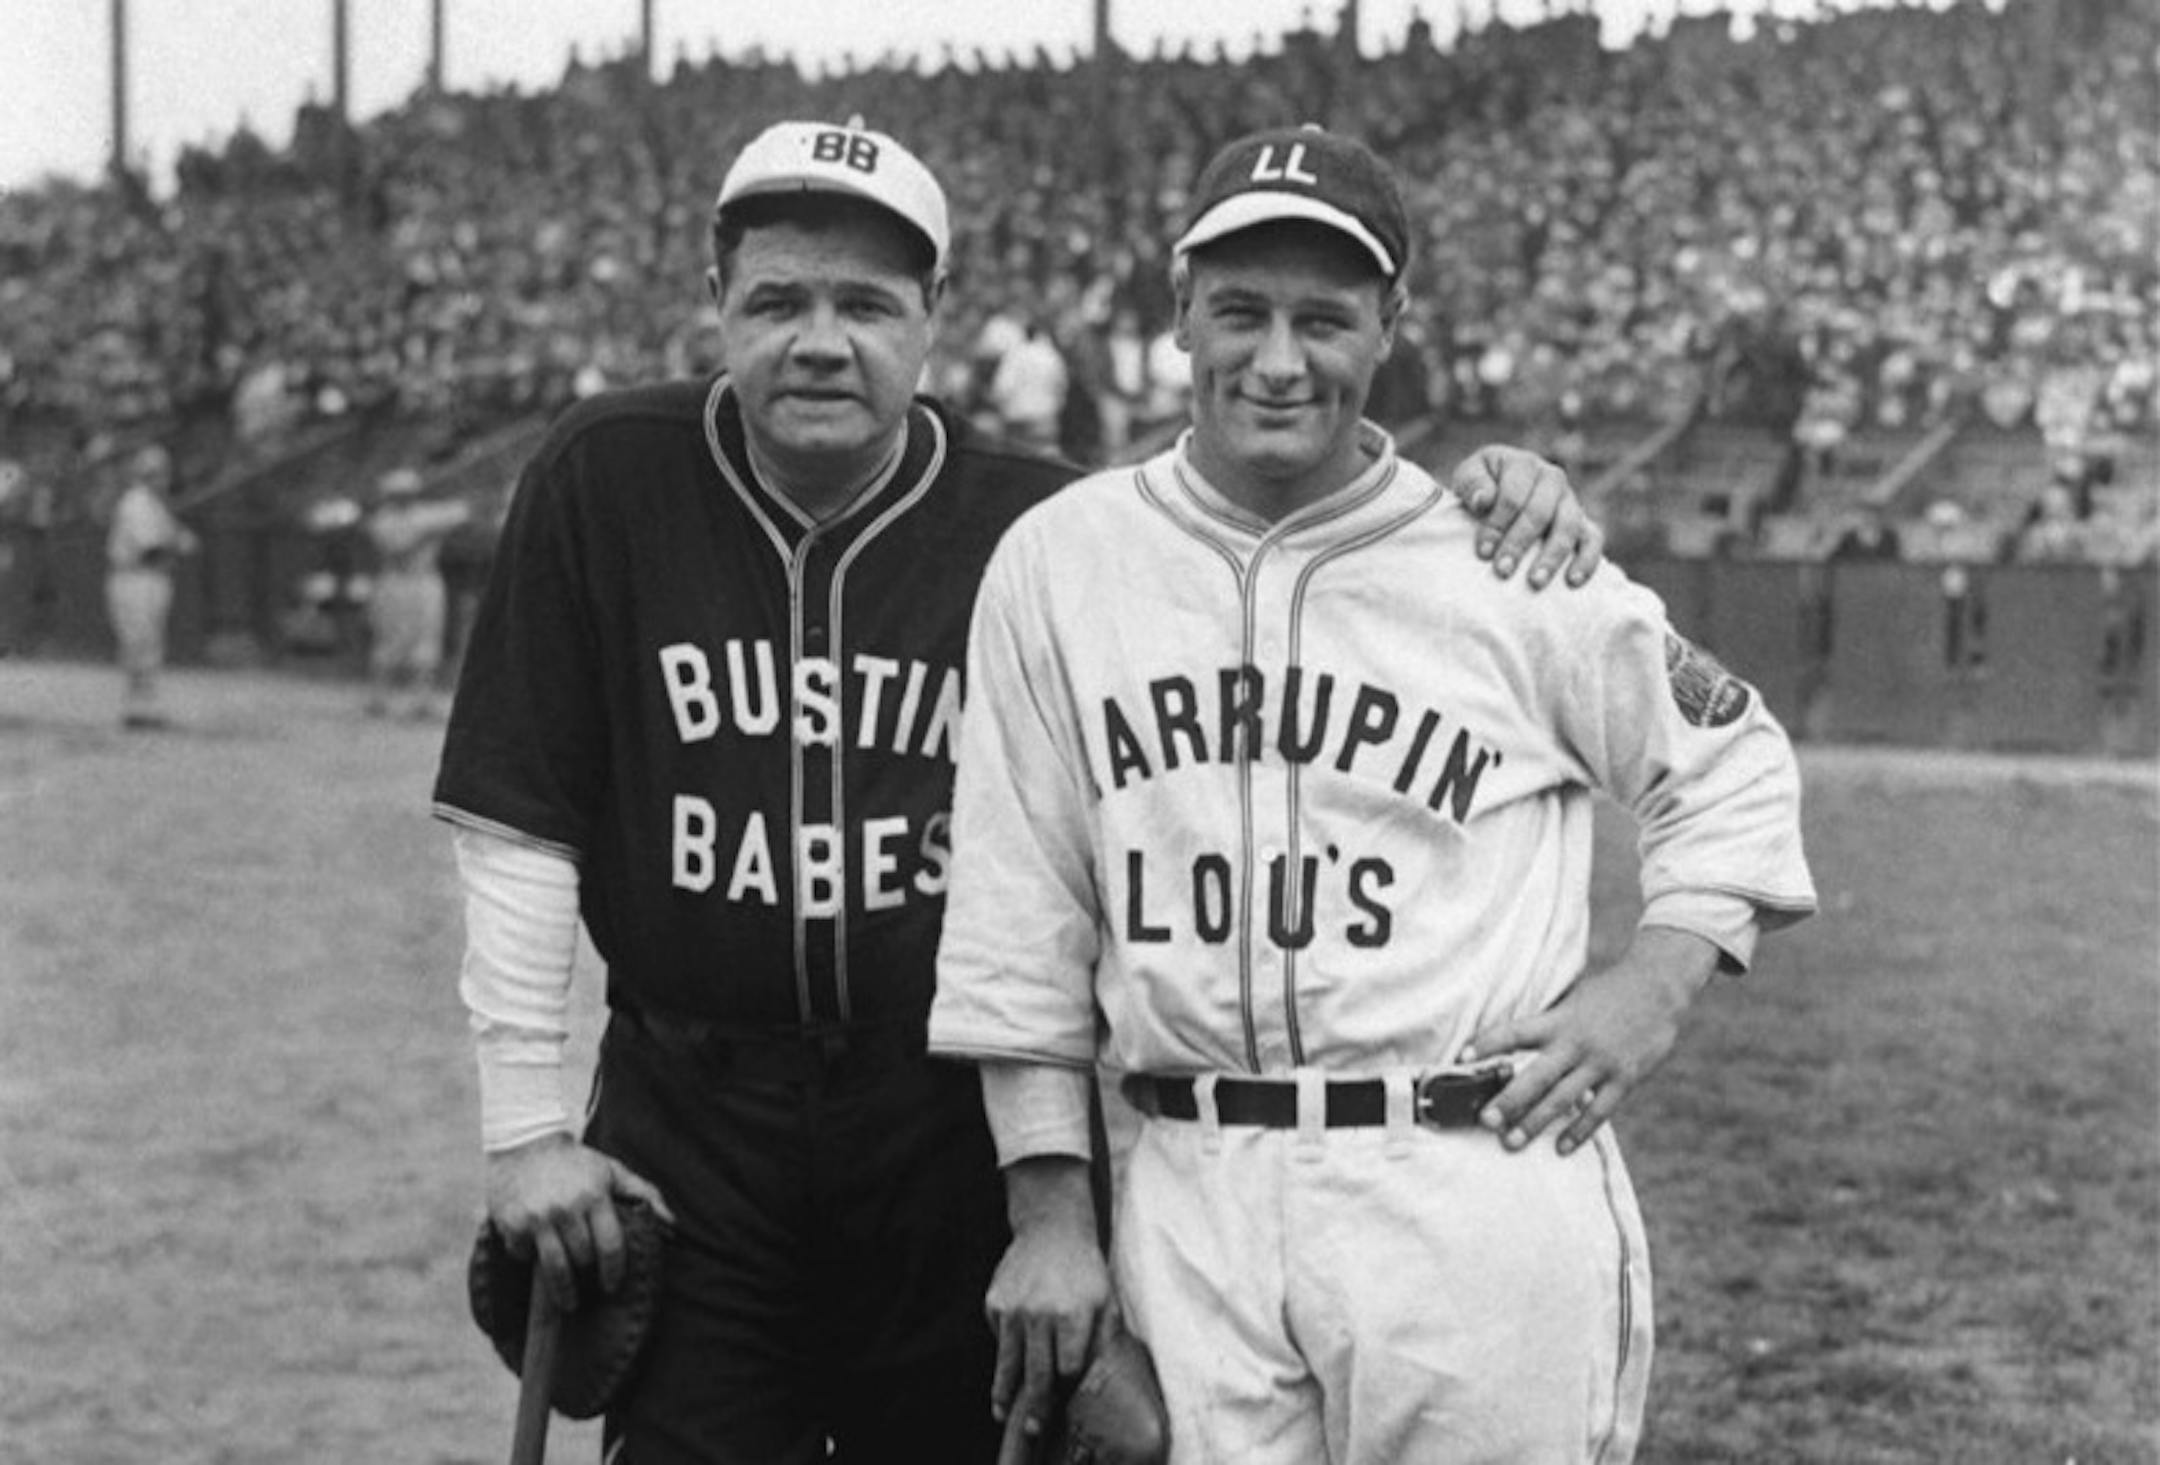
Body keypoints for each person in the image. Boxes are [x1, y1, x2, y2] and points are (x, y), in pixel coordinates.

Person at [433, 118, 1604, 1465]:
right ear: (718, 306)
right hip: (694, 1114)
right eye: (780, 301)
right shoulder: (609, 477)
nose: (822, 340)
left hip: (951, 1133)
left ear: (936, 314)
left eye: (867, 303)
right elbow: (521, 823)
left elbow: (1273, 567)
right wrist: (524, 1130)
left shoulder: (1038, 526)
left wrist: (1494, 502)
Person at [927, 125, 1819, 1465]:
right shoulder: (1060, 564)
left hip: (1461, 1176)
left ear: (1389, 325)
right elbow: (1016, 913)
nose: (1277, 362)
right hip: (1193, 1183)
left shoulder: (1504, 560)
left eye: (1324, 320)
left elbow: (1733, 760)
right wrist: (1052, 1216)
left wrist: (1657, 984)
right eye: (1240, 312)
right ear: (1178, 315)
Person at [363, 467, 471, 719]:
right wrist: (426, 533)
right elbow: (398, 548)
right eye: (399, 493)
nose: (405, 498)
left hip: (425, 581)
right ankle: (378, 697)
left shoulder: (425, 514)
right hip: (395, 582)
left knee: (427, 640)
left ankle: (422, 700)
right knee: (389, 639)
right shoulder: (382, 520)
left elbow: (464, 511)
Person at [103, 443, 199, 729]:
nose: (162, 478)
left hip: (151, 579)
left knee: (149, 645)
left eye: (164, 472)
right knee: (138, 643)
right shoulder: (136, 502)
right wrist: (179, 545)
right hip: (134, 578)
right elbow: (152, 550)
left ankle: (143, 708)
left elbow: (181, 540)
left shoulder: (155, 504)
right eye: (155, 473)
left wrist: (180, 541)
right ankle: (135, 709)